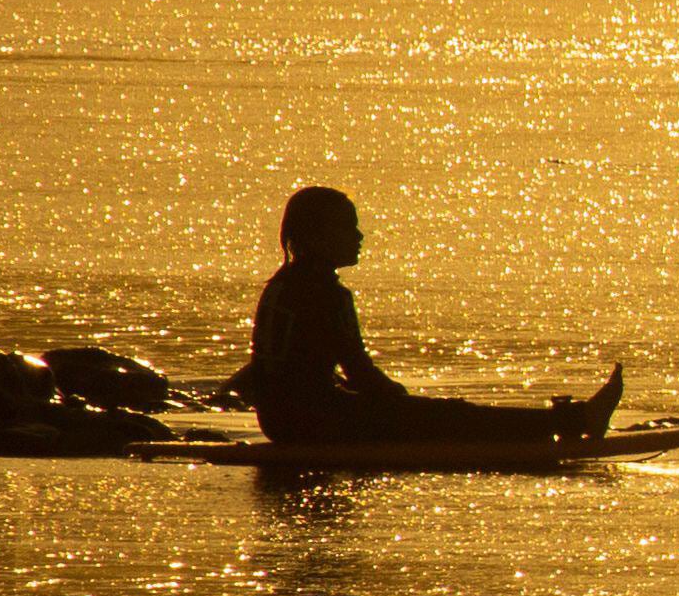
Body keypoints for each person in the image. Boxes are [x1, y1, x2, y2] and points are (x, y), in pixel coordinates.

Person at [241, 186, 621, 449]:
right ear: (318, 237)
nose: (359, 236)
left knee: (438, 413)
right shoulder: (328, 295)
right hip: (317, 426)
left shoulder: (279, 285)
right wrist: (404, 405)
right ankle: (575, 422)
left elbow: (270, 368)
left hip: (278, 421)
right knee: (453, 416)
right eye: (347, 227)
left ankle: (567, 421)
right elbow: (359, 373)